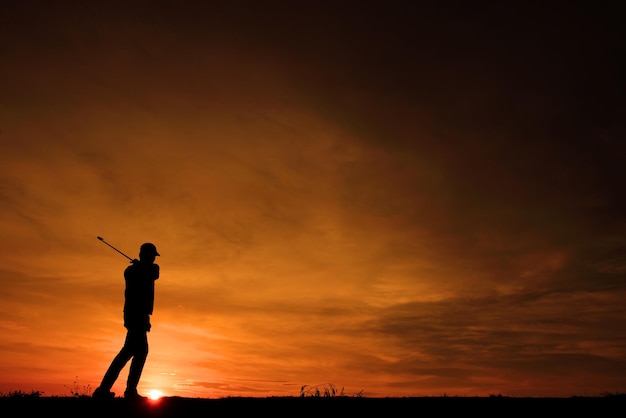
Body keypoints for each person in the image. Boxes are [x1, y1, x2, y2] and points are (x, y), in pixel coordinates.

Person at [93, 242, 160, 400]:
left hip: (140, 314)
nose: (153, 259)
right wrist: (140, 267)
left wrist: (141, 266)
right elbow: (139, 275)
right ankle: (124, 392)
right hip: (134, 314)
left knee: (129, 352)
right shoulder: (130, 271)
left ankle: (106, 390)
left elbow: (154, 273)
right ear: (145, 255)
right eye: (151, 256)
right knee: (137, 352)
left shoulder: (150, 269)